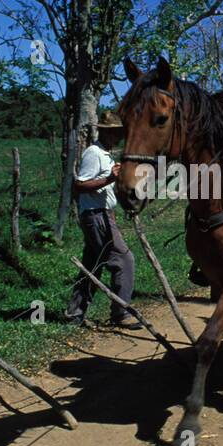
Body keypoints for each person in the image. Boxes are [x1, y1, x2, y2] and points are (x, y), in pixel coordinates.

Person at [65, 111, 140, 328]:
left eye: (119, 132)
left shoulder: (106, 154)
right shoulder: (94, 153)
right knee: (124, 260)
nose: (118, 136)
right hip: (95, 215)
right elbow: (79, 185)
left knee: (92, 264)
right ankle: (120, 313)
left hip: (103, 215)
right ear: (104, 132)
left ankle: (75, 313)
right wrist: (109, 178)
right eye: (114, 132)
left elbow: (104, 186)